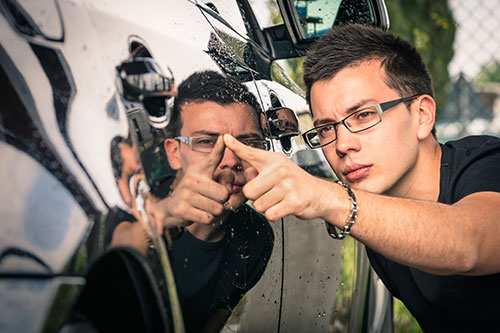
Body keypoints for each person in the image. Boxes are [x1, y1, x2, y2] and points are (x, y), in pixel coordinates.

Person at [222, 24, 500, 332]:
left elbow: (470, 244)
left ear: (421, 115)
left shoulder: (488, 164)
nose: (342, 145)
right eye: (326, 128)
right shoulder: (379, 218)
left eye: (364, 115)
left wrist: (330, 199)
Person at [149, 70, 274, 333]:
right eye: (207, 142)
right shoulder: (133, 213)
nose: (230, 160)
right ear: (174, 153)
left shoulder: (257, 235)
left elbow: (217, 317)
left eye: (247, 143)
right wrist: (160, 219)